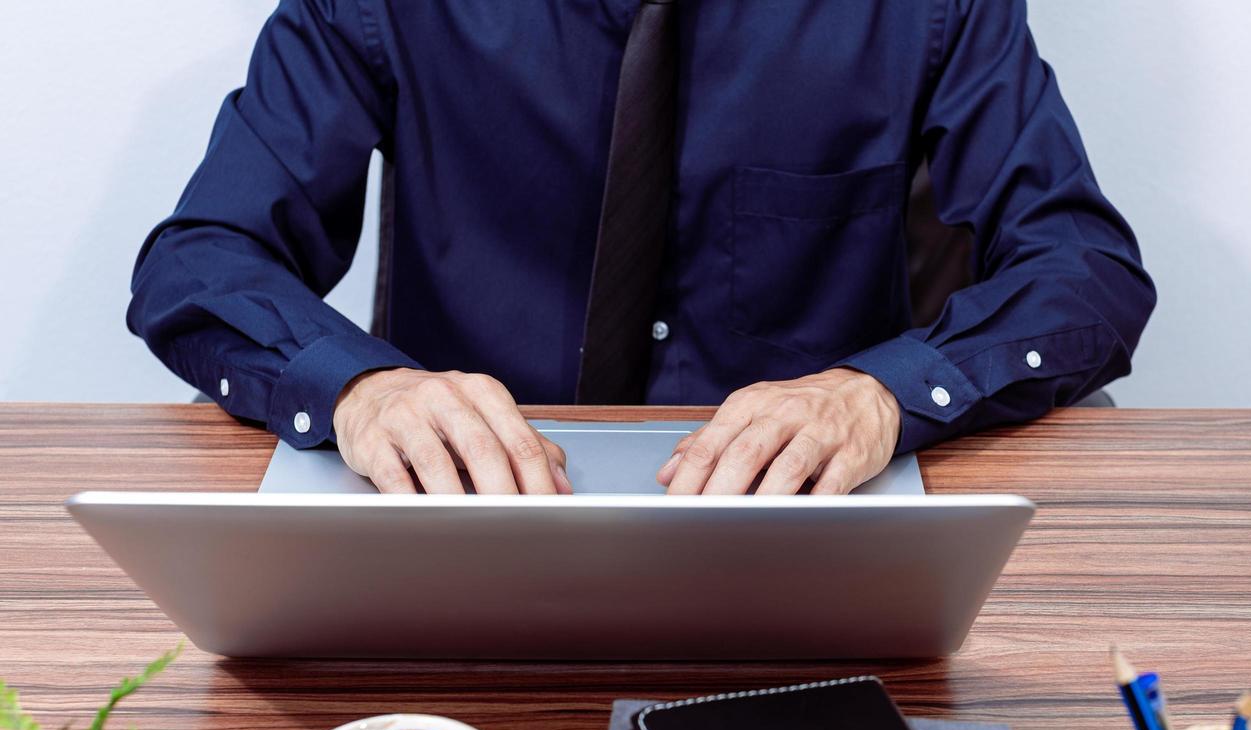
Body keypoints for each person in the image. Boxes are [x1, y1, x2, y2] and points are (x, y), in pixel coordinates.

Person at [129, 0, 1154, 496]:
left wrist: (882, 392)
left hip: (807, 536)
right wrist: (359, 390)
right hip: (465, 521)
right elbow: (202, 257)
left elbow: (1083, 269)